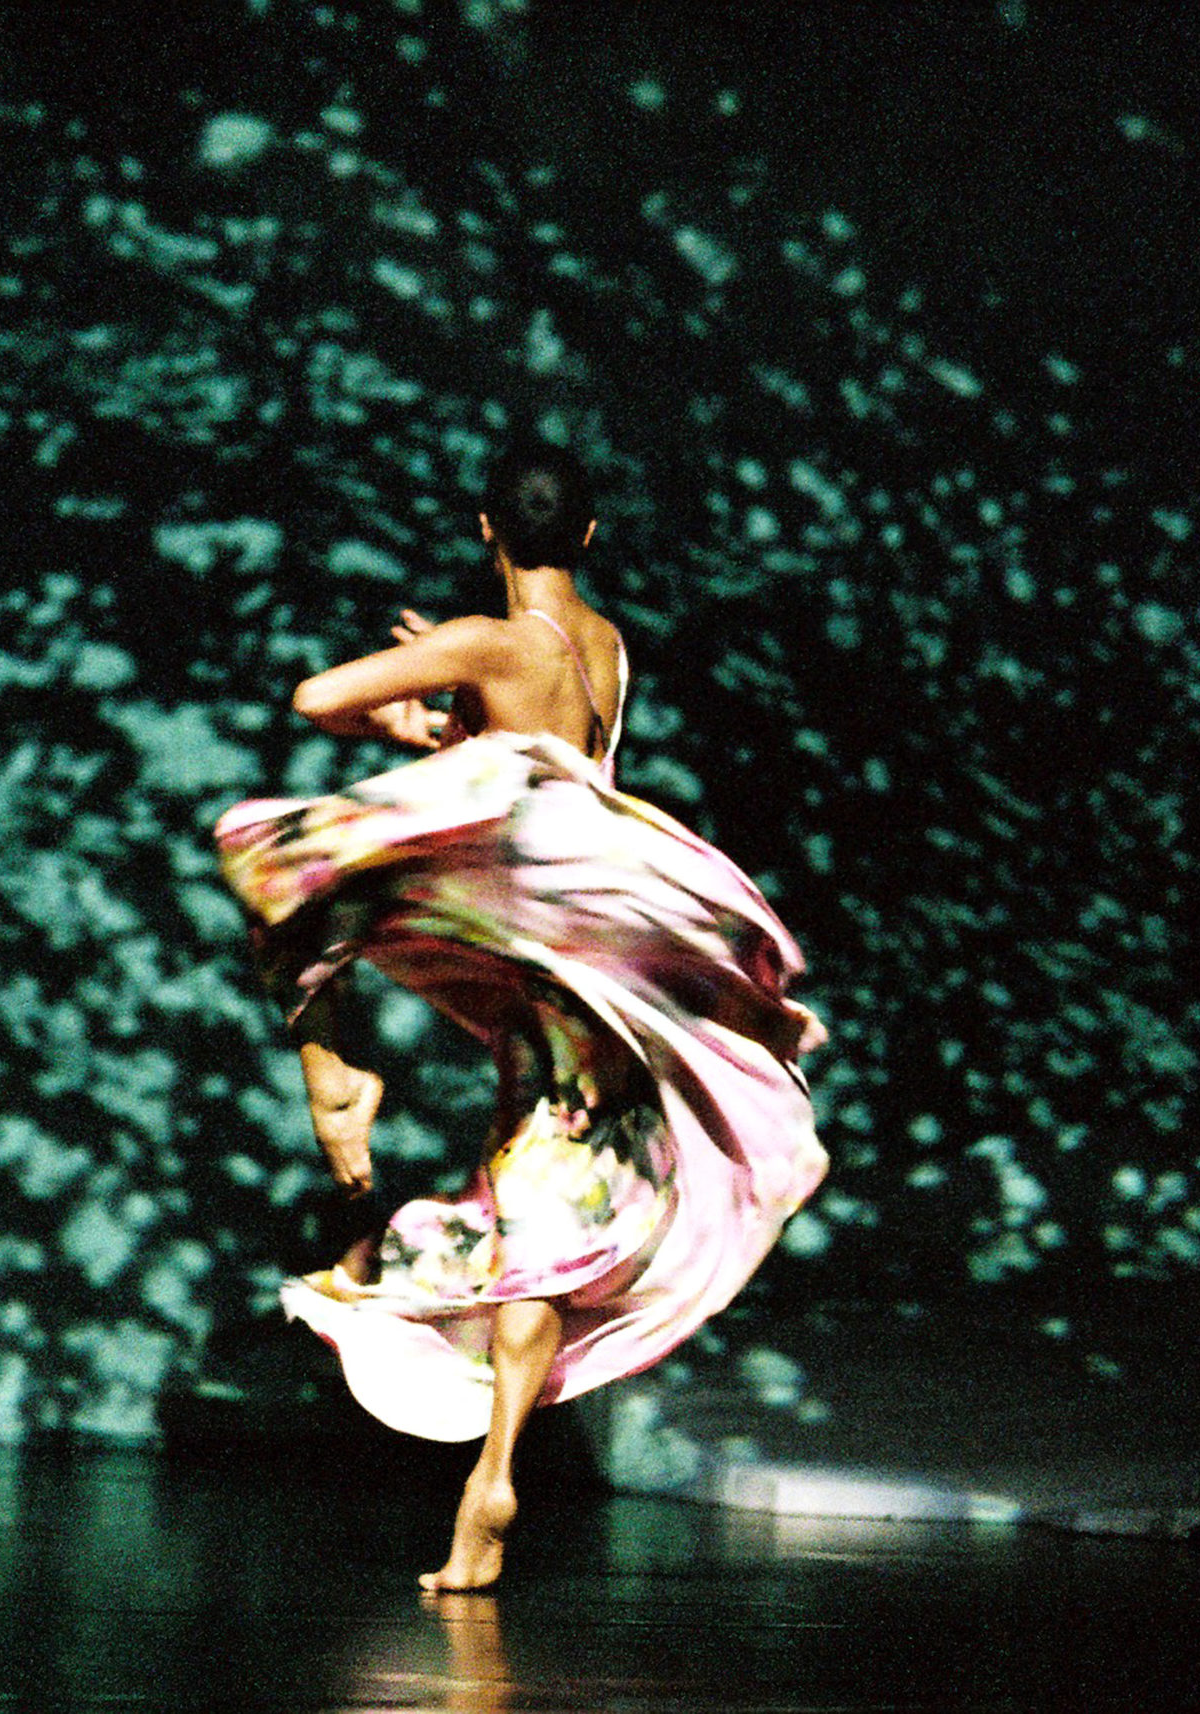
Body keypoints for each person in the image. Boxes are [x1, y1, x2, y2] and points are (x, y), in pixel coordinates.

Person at [213, 440, 828, 1591]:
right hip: (587, 974)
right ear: (586, 538)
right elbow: (543, 778)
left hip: (540, 955)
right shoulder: (605, 649)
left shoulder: (488, 639)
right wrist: (438, 734)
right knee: (538, 1213)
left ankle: (328, 1063)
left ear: (485, 528)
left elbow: (315, 698)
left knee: (275, 852)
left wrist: (414, 688)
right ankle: (491, 1476)